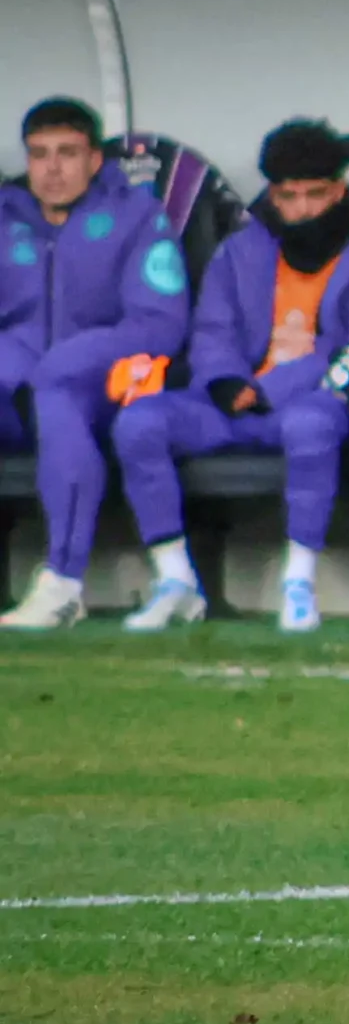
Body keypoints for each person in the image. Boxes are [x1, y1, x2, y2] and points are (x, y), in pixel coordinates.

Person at [112, 119, 349, 634]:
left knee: (312, 423)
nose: (303, 209)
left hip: (313, 401)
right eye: (289, 196)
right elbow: (212, 330)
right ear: (273, 194)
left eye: (316, 194)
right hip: (234, 404)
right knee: (139, 423)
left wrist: (268, 390)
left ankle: (298, 582)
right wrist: (222, 378)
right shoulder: (241, 249)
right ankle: (176, 581)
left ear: (340, 188)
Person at [0, 99, 189, 630]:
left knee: (57, 395)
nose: (52, 169)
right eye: (39, 155)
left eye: (66, 153)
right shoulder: (5, 217)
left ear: (95, 160)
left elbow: (159, 323)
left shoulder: (136, 217)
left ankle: (61, 583)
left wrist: (66, 360)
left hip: (97, 390)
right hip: (15, 390)